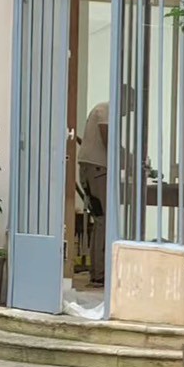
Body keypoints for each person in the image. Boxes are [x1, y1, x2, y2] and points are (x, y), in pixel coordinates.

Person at [78, 100, 110, 285]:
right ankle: (99, 272)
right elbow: (107, 138)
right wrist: (127, 159)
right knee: (103, 219)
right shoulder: (106, 109)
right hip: (97, 170)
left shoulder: (100, 108)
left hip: (90, 169)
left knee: (99, 219)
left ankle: (97, 271)